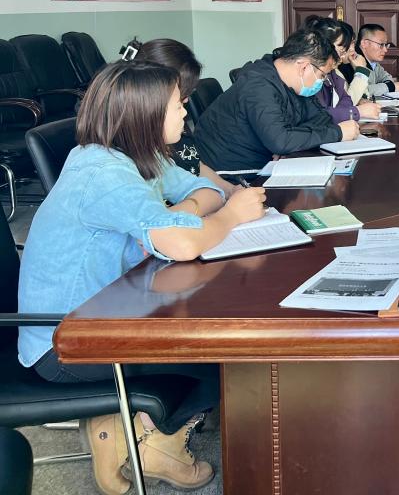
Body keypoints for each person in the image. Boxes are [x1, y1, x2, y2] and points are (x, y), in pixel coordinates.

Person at [18, 60, 267, 495]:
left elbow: (203, 190)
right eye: (177, 104)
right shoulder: (103, 174)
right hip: (67, 340)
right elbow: (184, 244)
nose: (186, 112)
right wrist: (228, 216)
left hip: (113, 312)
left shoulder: (138, 156)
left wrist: (179, 216)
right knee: (229, 359)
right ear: (145, 114)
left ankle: (119, 425)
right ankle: (157, 446)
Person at [195, 27, 358, 171]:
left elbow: (321, 118)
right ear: (304, 67)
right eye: (322, 75)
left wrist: (290, 141)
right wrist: (337, 133)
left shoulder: (295, 86)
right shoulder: (257, 85)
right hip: (234, 172)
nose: (321, 82)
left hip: (265, 162)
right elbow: (281, 140)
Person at [127, 38, 239, 195]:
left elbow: (194, 164)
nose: (186, 101)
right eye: (183, 92)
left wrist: (230, 190)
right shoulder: (133, 157)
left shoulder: (174, 122)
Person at [304, 16, 381, 123]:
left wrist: (356, 105)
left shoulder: (334, 73)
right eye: (343, 48)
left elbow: (346, 101)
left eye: (352, 44)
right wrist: (361, 73)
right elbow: (320, 114)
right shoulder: (314, 73)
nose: (351, 50)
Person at [355, 23, 399, 95]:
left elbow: (387, 78)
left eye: (386, 45)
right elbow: (360, 92)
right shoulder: (353, 61)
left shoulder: (373, 63)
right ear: (364, 43)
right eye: (381, 45)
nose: (385, 50)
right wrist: (390, 87)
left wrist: (384, 87)